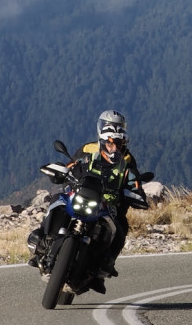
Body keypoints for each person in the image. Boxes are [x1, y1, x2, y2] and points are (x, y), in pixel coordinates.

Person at [28, 109, 146, 293]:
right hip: (80, 193)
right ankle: (44, 239)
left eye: (117, 142)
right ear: (102, 132)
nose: (114, 147)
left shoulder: (128, 160)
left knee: (121, 228)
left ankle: (102, 269)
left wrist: (135, 194)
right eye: (110, 142)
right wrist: (63, 174)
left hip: (107, 204)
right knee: (57, 201)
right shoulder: (88, 149)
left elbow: (134, 182)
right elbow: (71, 165)